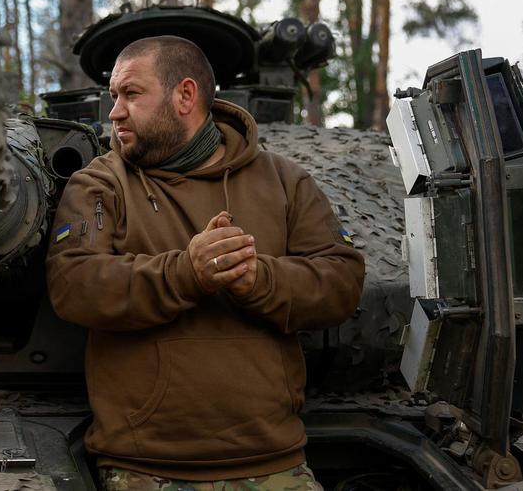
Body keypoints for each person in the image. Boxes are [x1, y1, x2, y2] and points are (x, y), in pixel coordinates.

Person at [45, 35, 364, 490]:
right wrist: (186, 273)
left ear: (185, 96)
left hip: (275, 464)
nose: (114, 112)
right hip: (146, 469)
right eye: (113, 96)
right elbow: (74, 284)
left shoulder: (283, 180)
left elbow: (342, 280)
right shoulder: (101, 183)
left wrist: (259, 277)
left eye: (131, 94)